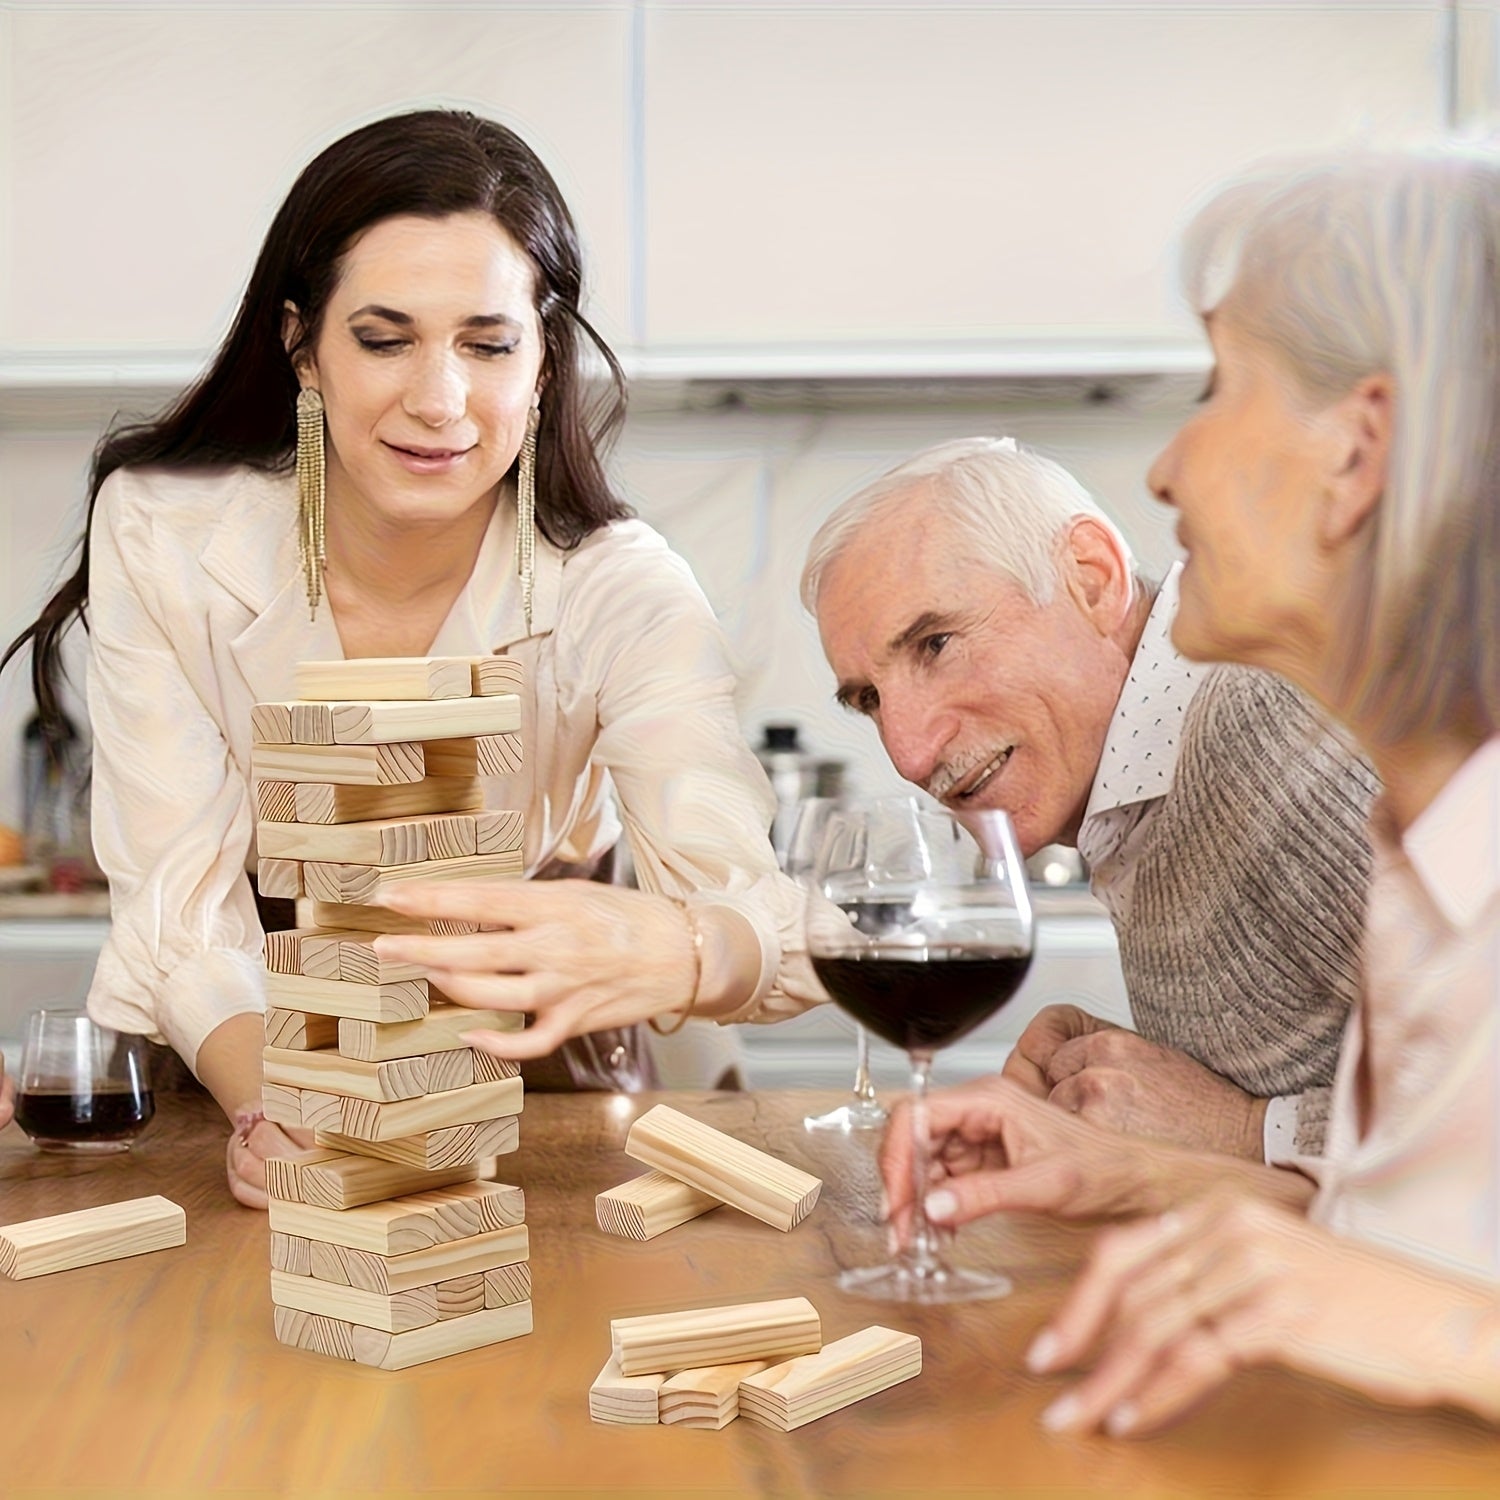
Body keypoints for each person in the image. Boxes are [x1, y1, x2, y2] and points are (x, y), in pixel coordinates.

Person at [1, 110, 812, 1208]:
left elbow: (755, 909)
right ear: (303, 346)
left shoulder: (621, 586)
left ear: (543, 357)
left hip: (528, 1076)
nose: (439, 401)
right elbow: (178, 905)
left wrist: (691, 948)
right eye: (385, 340)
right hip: (246, 1045)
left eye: (488, 343)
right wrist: (278, 1105)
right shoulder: (164, 529)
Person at [879, 145, 1500, 1431]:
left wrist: (1440, 1326)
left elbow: (1430, 1306)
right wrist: (1121, 1177)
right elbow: (1412, 1247)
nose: (1163, 471)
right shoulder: (1427, 852)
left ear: (1358, 452)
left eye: (1221, 385)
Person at [803, 437, 1378, 1161]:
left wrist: (1241, 1130)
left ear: (1092, 579)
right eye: (868, 699)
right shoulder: (1138, 794)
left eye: (937, 644)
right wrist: (1130, 1076)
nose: (908, 754)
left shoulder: (1262, 715)